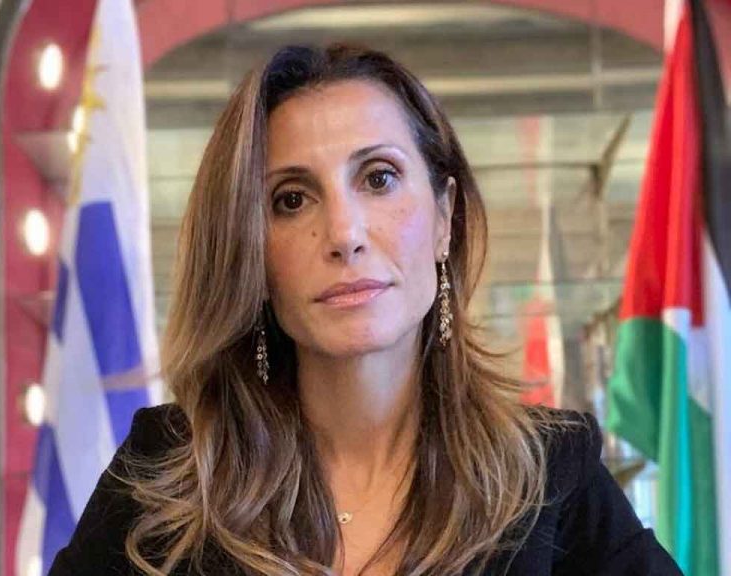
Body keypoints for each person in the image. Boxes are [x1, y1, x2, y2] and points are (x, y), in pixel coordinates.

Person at [48, 44, 682, 576]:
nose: (344, 233)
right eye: (291, 199)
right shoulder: (163, 477)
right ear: (250, 254)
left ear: (444, 219)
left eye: (379, 178)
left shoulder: (547, 474)